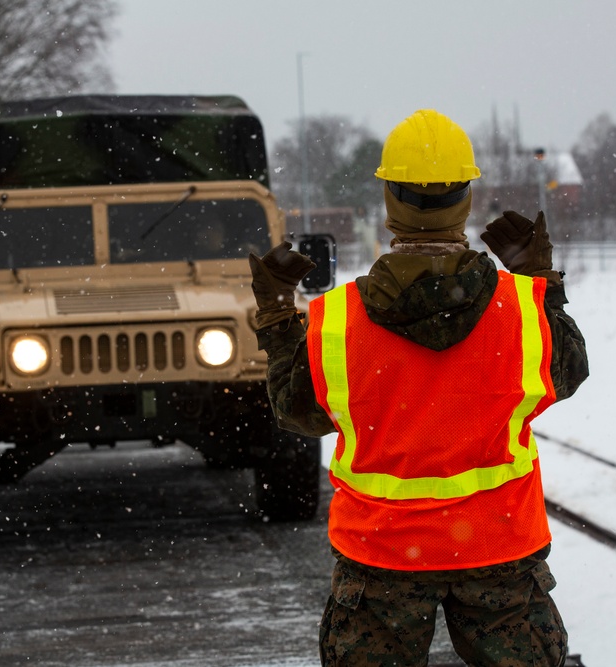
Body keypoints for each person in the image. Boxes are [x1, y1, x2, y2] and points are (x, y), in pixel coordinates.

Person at [248, 109, 589, 667]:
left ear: (390, 200)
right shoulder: (520, 311)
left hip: (382, 555)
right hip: (498, 547)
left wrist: (278, 316)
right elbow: (568, 373)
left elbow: (296, 411)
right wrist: (540, 284)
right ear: (466, 197)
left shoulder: (337, 320)